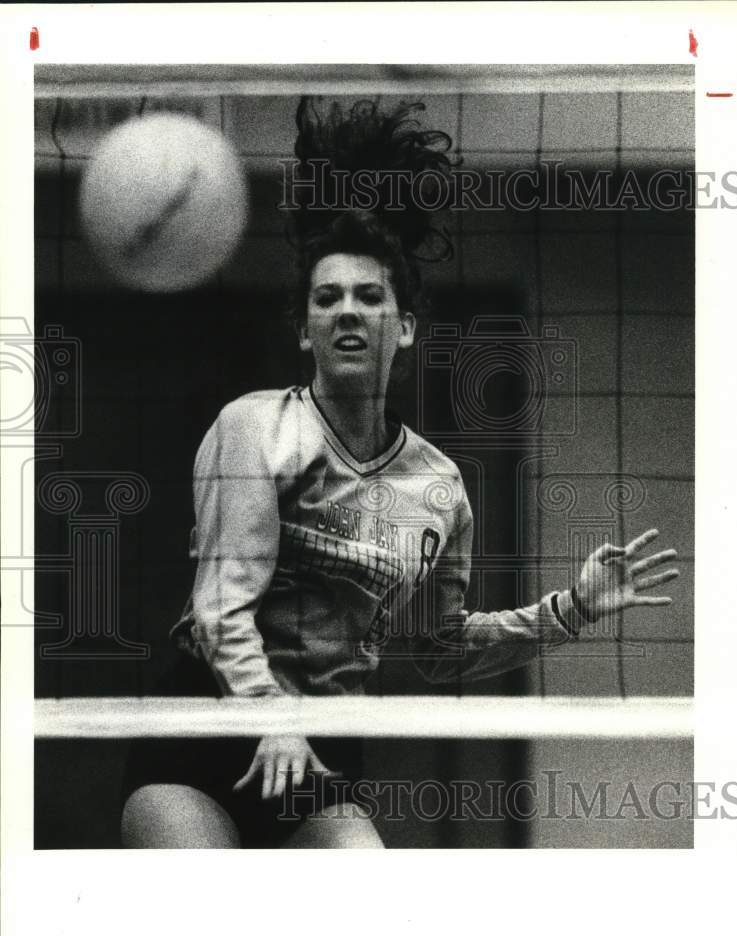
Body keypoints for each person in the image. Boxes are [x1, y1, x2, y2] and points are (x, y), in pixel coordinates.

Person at [121, 98, 679, 849]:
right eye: (327, 299)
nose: (348, 311)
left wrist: (569, 610)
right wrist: (270, 716)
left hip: (321, 755)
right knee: (209, 926)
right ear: (304, 328)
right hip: (207, 733)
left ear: (406, 325)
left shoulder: (437, 485)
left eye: (369, 296)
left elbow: (439, 646)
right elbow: (223, 607)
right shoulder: (255, 427)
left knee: (366, 914)